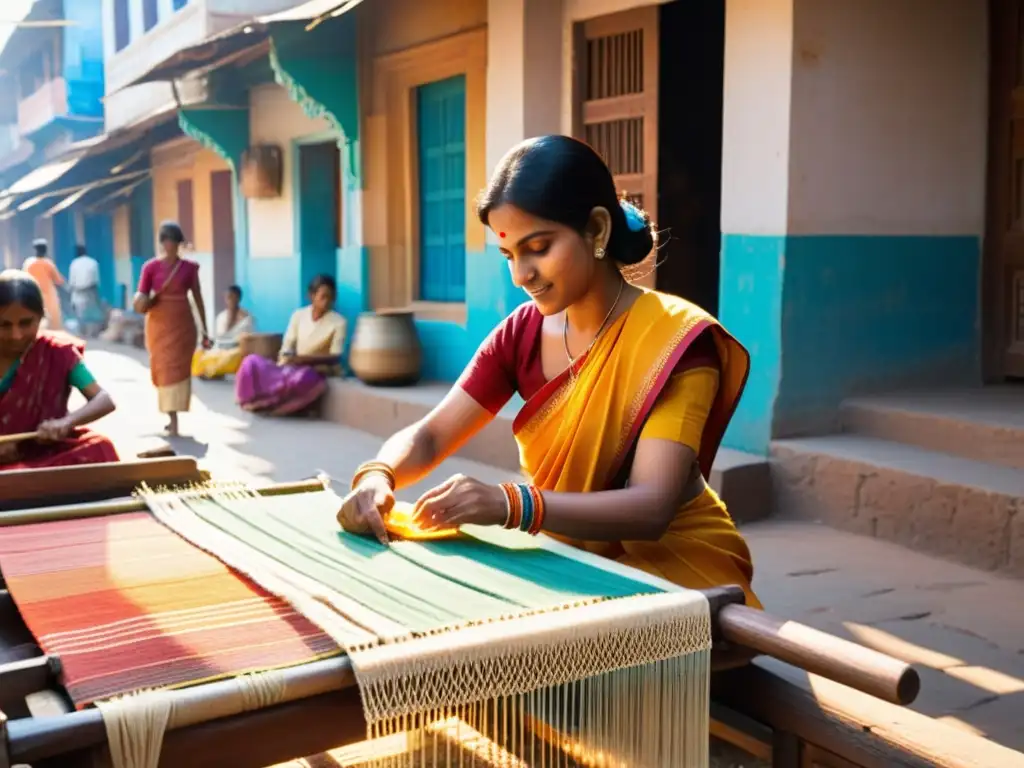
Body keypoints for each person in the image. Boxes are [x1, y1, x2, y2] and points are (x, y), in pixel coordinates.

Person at [336, 135, 761, 609]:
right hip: (563, 557)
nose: (521, 274)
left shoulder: (673, 342)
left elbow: (651, 507)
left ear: (597, 230)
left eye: (537, 247)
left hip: (678, 575)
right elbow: (433, 436)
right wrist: (379, 476)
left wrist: (509, 504)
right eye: (509, 255)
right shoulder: (520, 334)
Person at [0, 270, 118, 469]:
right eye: (4, 325)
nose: (16, 335)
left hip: (47, 454)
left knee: (100, 447)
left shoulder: (56, 352)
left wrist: (66, 422)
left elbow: (104, 400)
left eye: (26, 323)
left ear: (40, 317)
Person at [133, 221, 210, 437]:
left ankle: (174, 416)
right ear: (161, 243)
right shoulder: (150, 268)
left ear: (179, 244)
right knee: (163, 368)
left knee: (178, 370)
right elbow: (142, 295)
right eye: (166, 241)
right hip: (158, 325)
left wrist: (205, 329)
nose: (170, 246)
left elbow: (197, 297)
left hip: (183, 325)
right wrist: (141, 301)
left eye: (174, 242)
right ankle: (170, 414)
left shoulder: (189, 269)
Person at [235, 274, 345, 416]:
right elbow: (287, 345)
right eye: (323, 296)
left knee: (302, 379)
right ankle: (253, 400)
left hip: (314, 369)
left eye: (331, 297)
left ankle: (273, 405)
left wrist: (304, 359)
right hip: (291, 365)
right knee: (250, 362)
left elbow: (335, 356)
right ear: (312, 296)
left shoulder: (338, 322)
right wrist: (284, 363)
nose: (327, 301)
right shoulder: (298, 315)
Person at [191, 285, 254, 379]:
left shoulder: (247, 319)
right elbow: (217, 338)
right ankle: (213, 371)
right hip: (219, 349)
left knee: (233, 356)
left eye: (233, 297)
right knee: (198, 353)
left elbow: (246, 340)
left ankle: (212, 372)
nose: (230, 300)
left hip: (234, 350)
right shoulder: (221, 317)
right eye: (228, 297)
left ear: (239, 298)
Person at [22, 239, 65, 331]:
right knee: (53, 320)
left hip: (33, 294)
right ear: (45, 250)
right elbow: (58, 280)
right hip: (49, 296)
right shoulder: (48, 263)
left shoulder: (29, 263)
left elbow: (23, 277)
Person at [68, 244, 104, 334]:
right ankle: (94, 332)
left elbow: (72, 281)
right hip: (91, 290)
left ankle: (83, 332)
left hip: (78, 291)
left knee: (80, 313)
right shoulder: (93, 262)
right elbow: (96, 280)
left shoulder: (74, 263)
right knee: (93, 312)